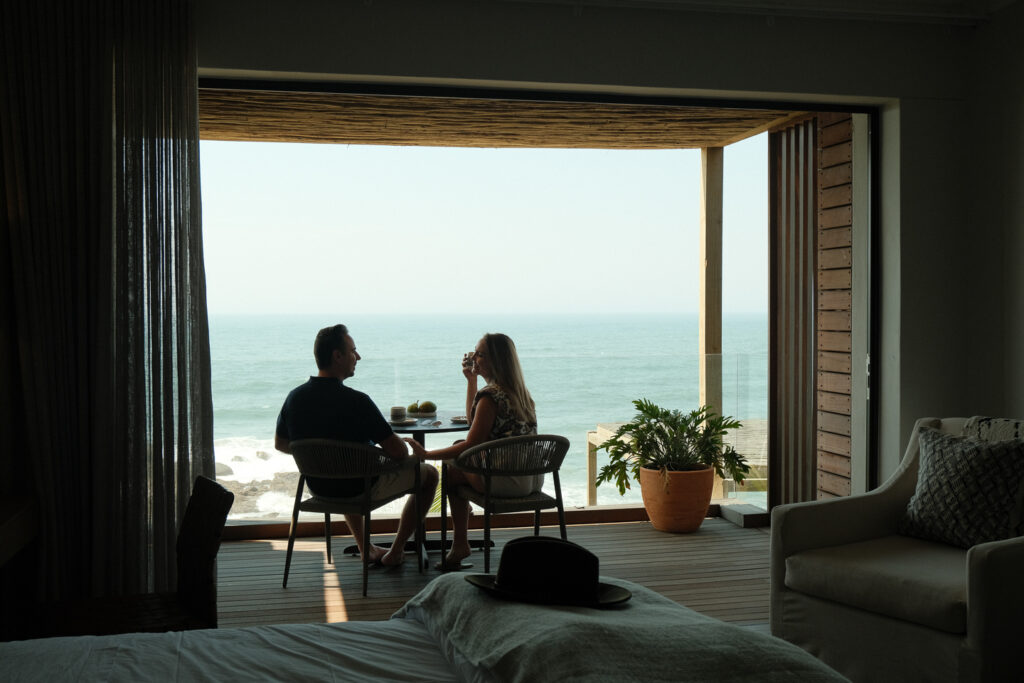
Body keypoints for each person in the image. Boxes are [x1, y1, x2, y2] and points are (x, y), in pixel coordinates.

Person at [275, 324, 438, 568]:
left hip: (320, 487)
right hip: (358, 489)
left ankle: (366, 549)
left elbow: (281, 444)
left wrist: (321, 457)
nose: (358, 357)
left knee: (347, 470)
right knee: (429, 475)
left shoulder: (294, 397)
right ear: (337, 356)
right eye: (353, 351)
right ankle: (396, 550)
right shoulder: (357, 401)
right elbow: (398, 452)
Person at [404, 332, 538, 569]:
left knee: (451, 467)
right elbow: (473, 421)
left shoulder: (491, 396)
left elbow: (472, 444)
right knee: (457, 451)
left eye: (480, 354)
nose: (473, 357)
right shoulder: (521, 393)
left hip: (504, 483)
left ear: (494, 360)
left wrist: (426, 455)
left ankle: (459, 544)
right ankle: (460, 538)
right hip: (530, 479)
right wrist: (471, 381)